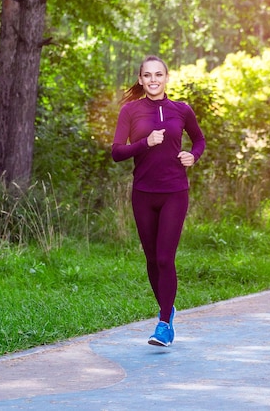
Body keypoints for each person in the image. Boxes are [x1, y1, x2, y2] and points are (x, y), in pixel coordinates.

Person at [111, 55, 206, 347]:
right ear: (141, 80)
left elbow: (199, 140)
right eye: (147, 75)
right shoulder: (130, 111)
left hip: (175, 192)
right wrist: (145, 143)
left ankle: (164, 323)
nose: (153, 80)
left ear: (166, 78)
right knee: (152, 260)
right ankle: (168, 306)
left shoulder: (182, 110)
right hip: (143, 194)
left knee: (165, 258)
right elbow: (116, 152)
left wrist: (194, 155)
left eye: (158, 75)